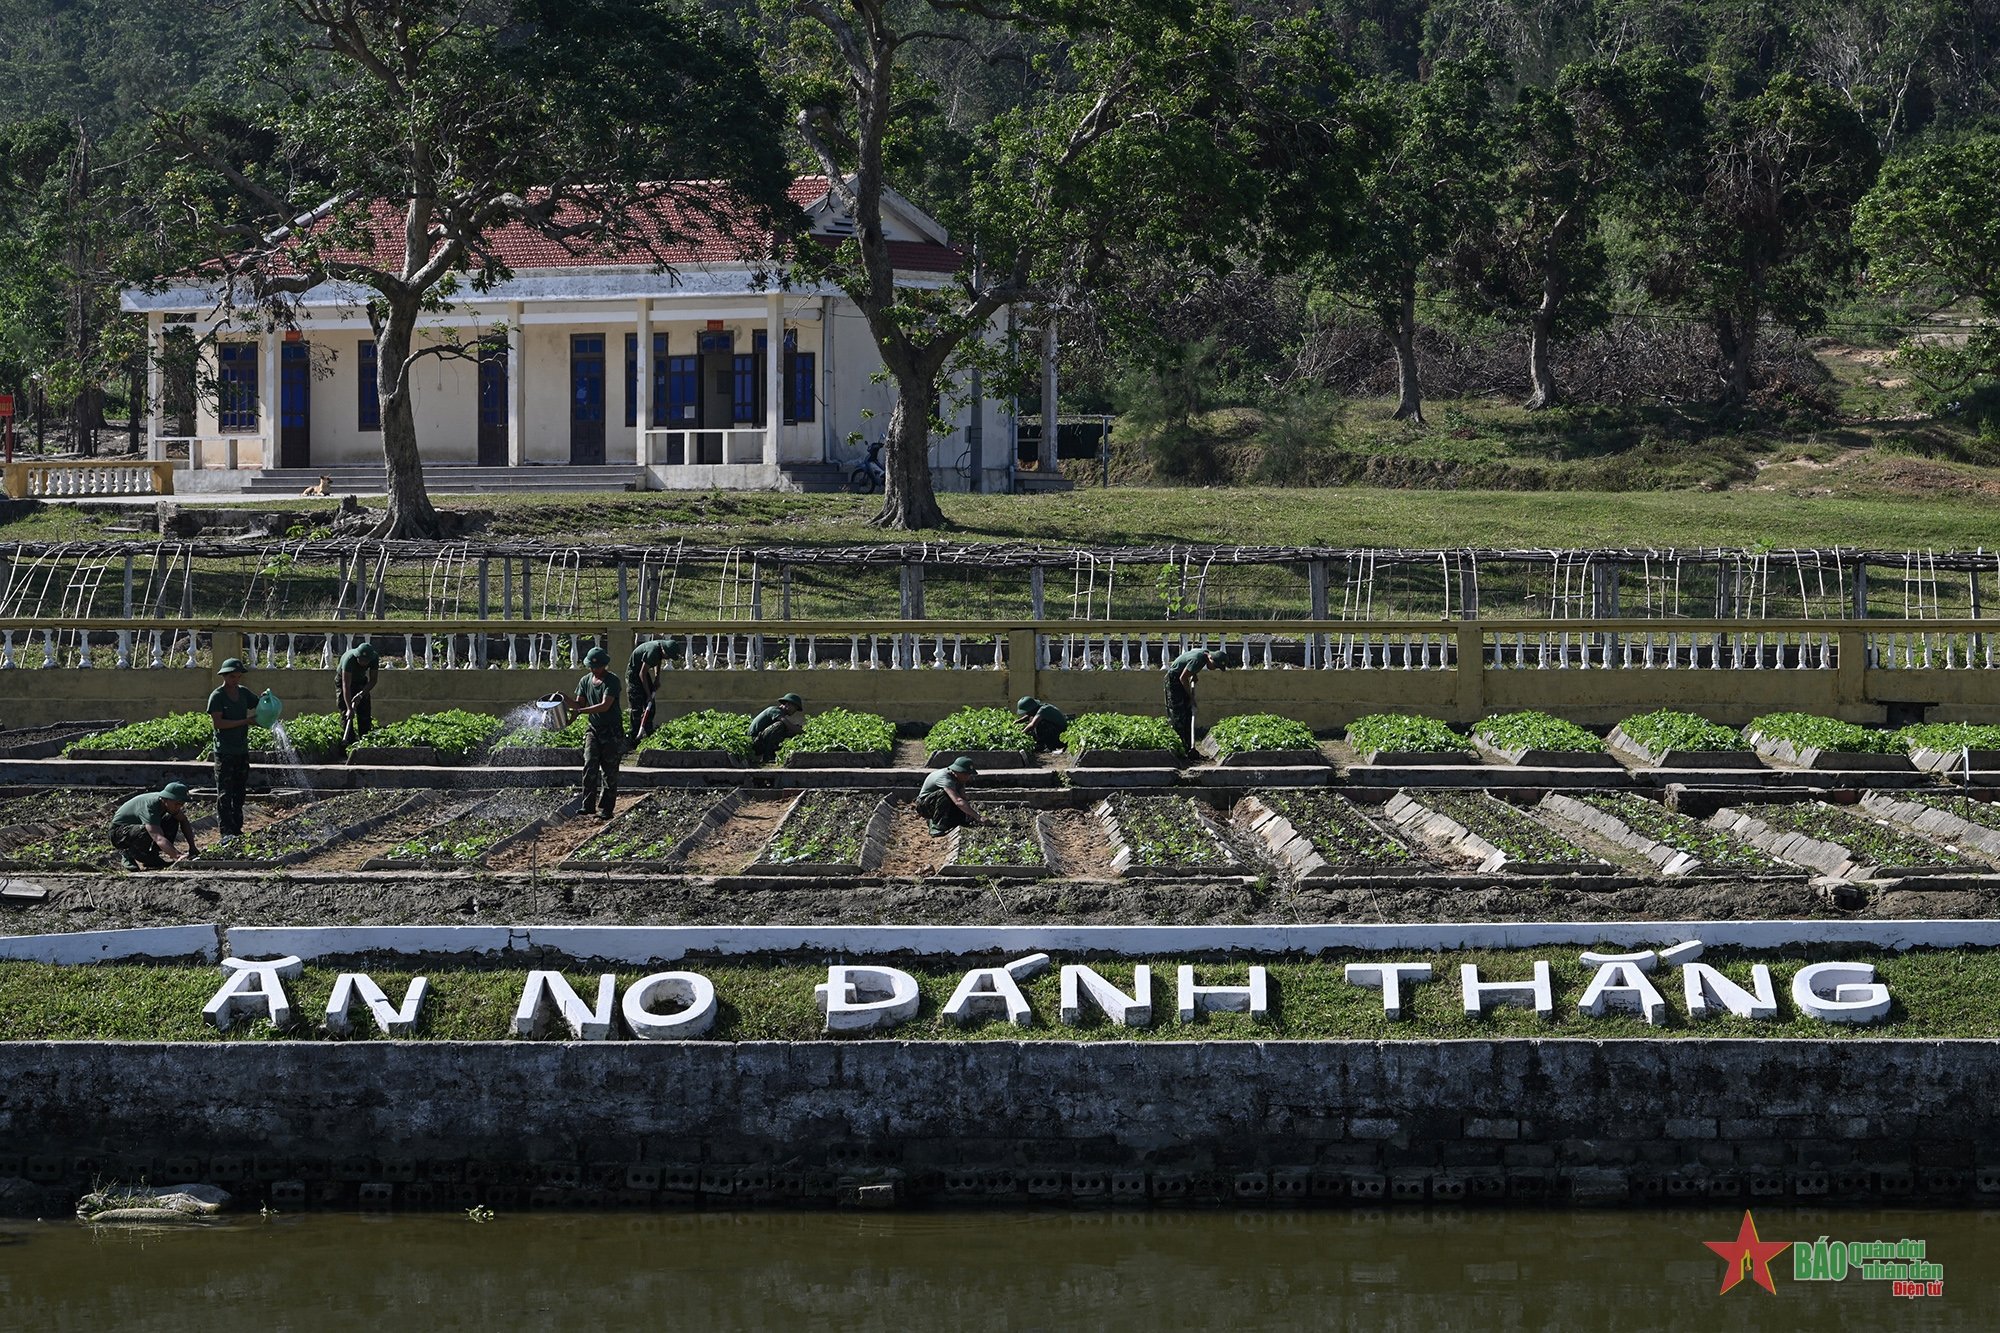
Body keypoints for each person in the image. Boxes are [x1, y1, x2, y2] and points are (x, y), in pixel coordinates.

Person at [571, 645, 624, 820]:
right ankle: (587, 805)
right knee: (589, 765)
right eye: (592, 667)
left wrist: (581, 711)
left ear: (604, 665)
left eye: (598, 667)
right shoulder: (585, 680)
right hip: (593, 730)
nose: (595, 670)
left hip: (611, 731)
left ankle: (607, 808)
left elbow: (605, 705)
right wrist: (564, 700)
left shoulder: (612, 681)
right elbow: (579, 703)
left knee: (609, 770)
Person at [207, 657, 254, 837]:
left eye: (238, 677)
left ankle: (237, 828)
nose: (236, 680)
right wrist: (246, 721)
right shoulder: (217, 696)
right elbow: (218, 723)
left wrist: (268, 700)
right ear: (225, 676)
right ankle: (226, 831)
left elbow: (258, 703)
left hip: (241, 749)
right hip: (224, 751)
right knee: (225, 793)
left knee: (239, 791)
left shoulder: (243, 693)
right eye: (232, 677)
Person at [110, 781, 199, 870]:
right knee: (147, 829)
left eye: (181, 804)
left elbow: (184, 820)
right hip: (119, 834)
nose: (178, 807)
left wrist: (192, 847)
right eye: (176, 804)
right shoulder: (150, 807)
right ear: (166, 799)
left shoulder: (167, 803)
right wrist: (178, 856)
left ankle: (152, 858)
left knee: (172, 819)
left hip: (136, 828)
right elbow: (158, 837)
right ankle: (128, 853)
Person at [1164, 646, 1232, 744]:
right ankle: (1179, 745)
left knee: (1187, 712)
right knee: (1178, 714)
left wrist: (1193, 673)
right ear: (1210, 658)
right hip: (1174, 679)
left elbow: (1189, 660)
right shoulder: (1198, 660)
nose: (1214, 668)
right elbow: (1183, 678)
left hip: (1180, 678)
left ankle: (1188, 746)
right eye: (1215, 665)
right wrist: (1191, 698)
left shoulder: (1204, 652)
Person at [625, 636, 686, 743]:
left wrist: (657, 678)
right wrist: (648, 695)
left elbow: (658, 661)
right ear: (664, 651)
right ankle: (634, 737)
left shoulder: (660, 648)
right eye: (668, 656)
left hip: (643, 674)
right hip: (634, 675)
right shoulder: (653, 651)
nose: (668, 658)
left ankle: (649, 733)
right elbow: (641, 674)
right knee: (637, 707)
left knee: (651, 707)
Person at [915, 757, 982, 836]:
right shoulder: (945, 778)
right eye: (966, 774)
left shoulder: (959, 778)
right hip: (925, 805)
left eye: (969, 774)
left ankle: (939, 820)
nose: (967, 777)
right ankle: (936, 826)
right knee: (944, 793)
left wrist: (969, 814)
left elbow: (963, 797)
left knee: (961, 820)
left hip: (941, 804)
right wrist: (978, 817)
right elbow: (958, 801)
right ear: (957, 771)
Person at [335, 641, 380, 755]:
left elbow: (373, 680)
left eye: (366, 661)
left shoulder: (374, 658)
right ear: (357, 656)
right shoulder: (349, 660)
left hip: (361, 682)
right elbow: (346, 685)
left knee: (364, 713)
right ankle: (348, 747)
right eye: (361, 660)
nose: (363, 662)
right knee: (346, 714)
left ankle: (365, 745)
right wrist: (350, 708)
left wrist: (361, 694)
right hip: (343, 681)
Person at [749, 693, 805, 764]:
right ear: (787, 704)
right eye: (795, 708)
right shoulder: (774, 710)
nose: (795, 711)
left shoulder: (780, 714)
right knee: (780, 725)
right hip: (755, 742)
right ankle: (768, 757)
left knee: (788, 731)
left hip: (761, 740)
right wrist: (804, 733)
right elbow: (788, 725)